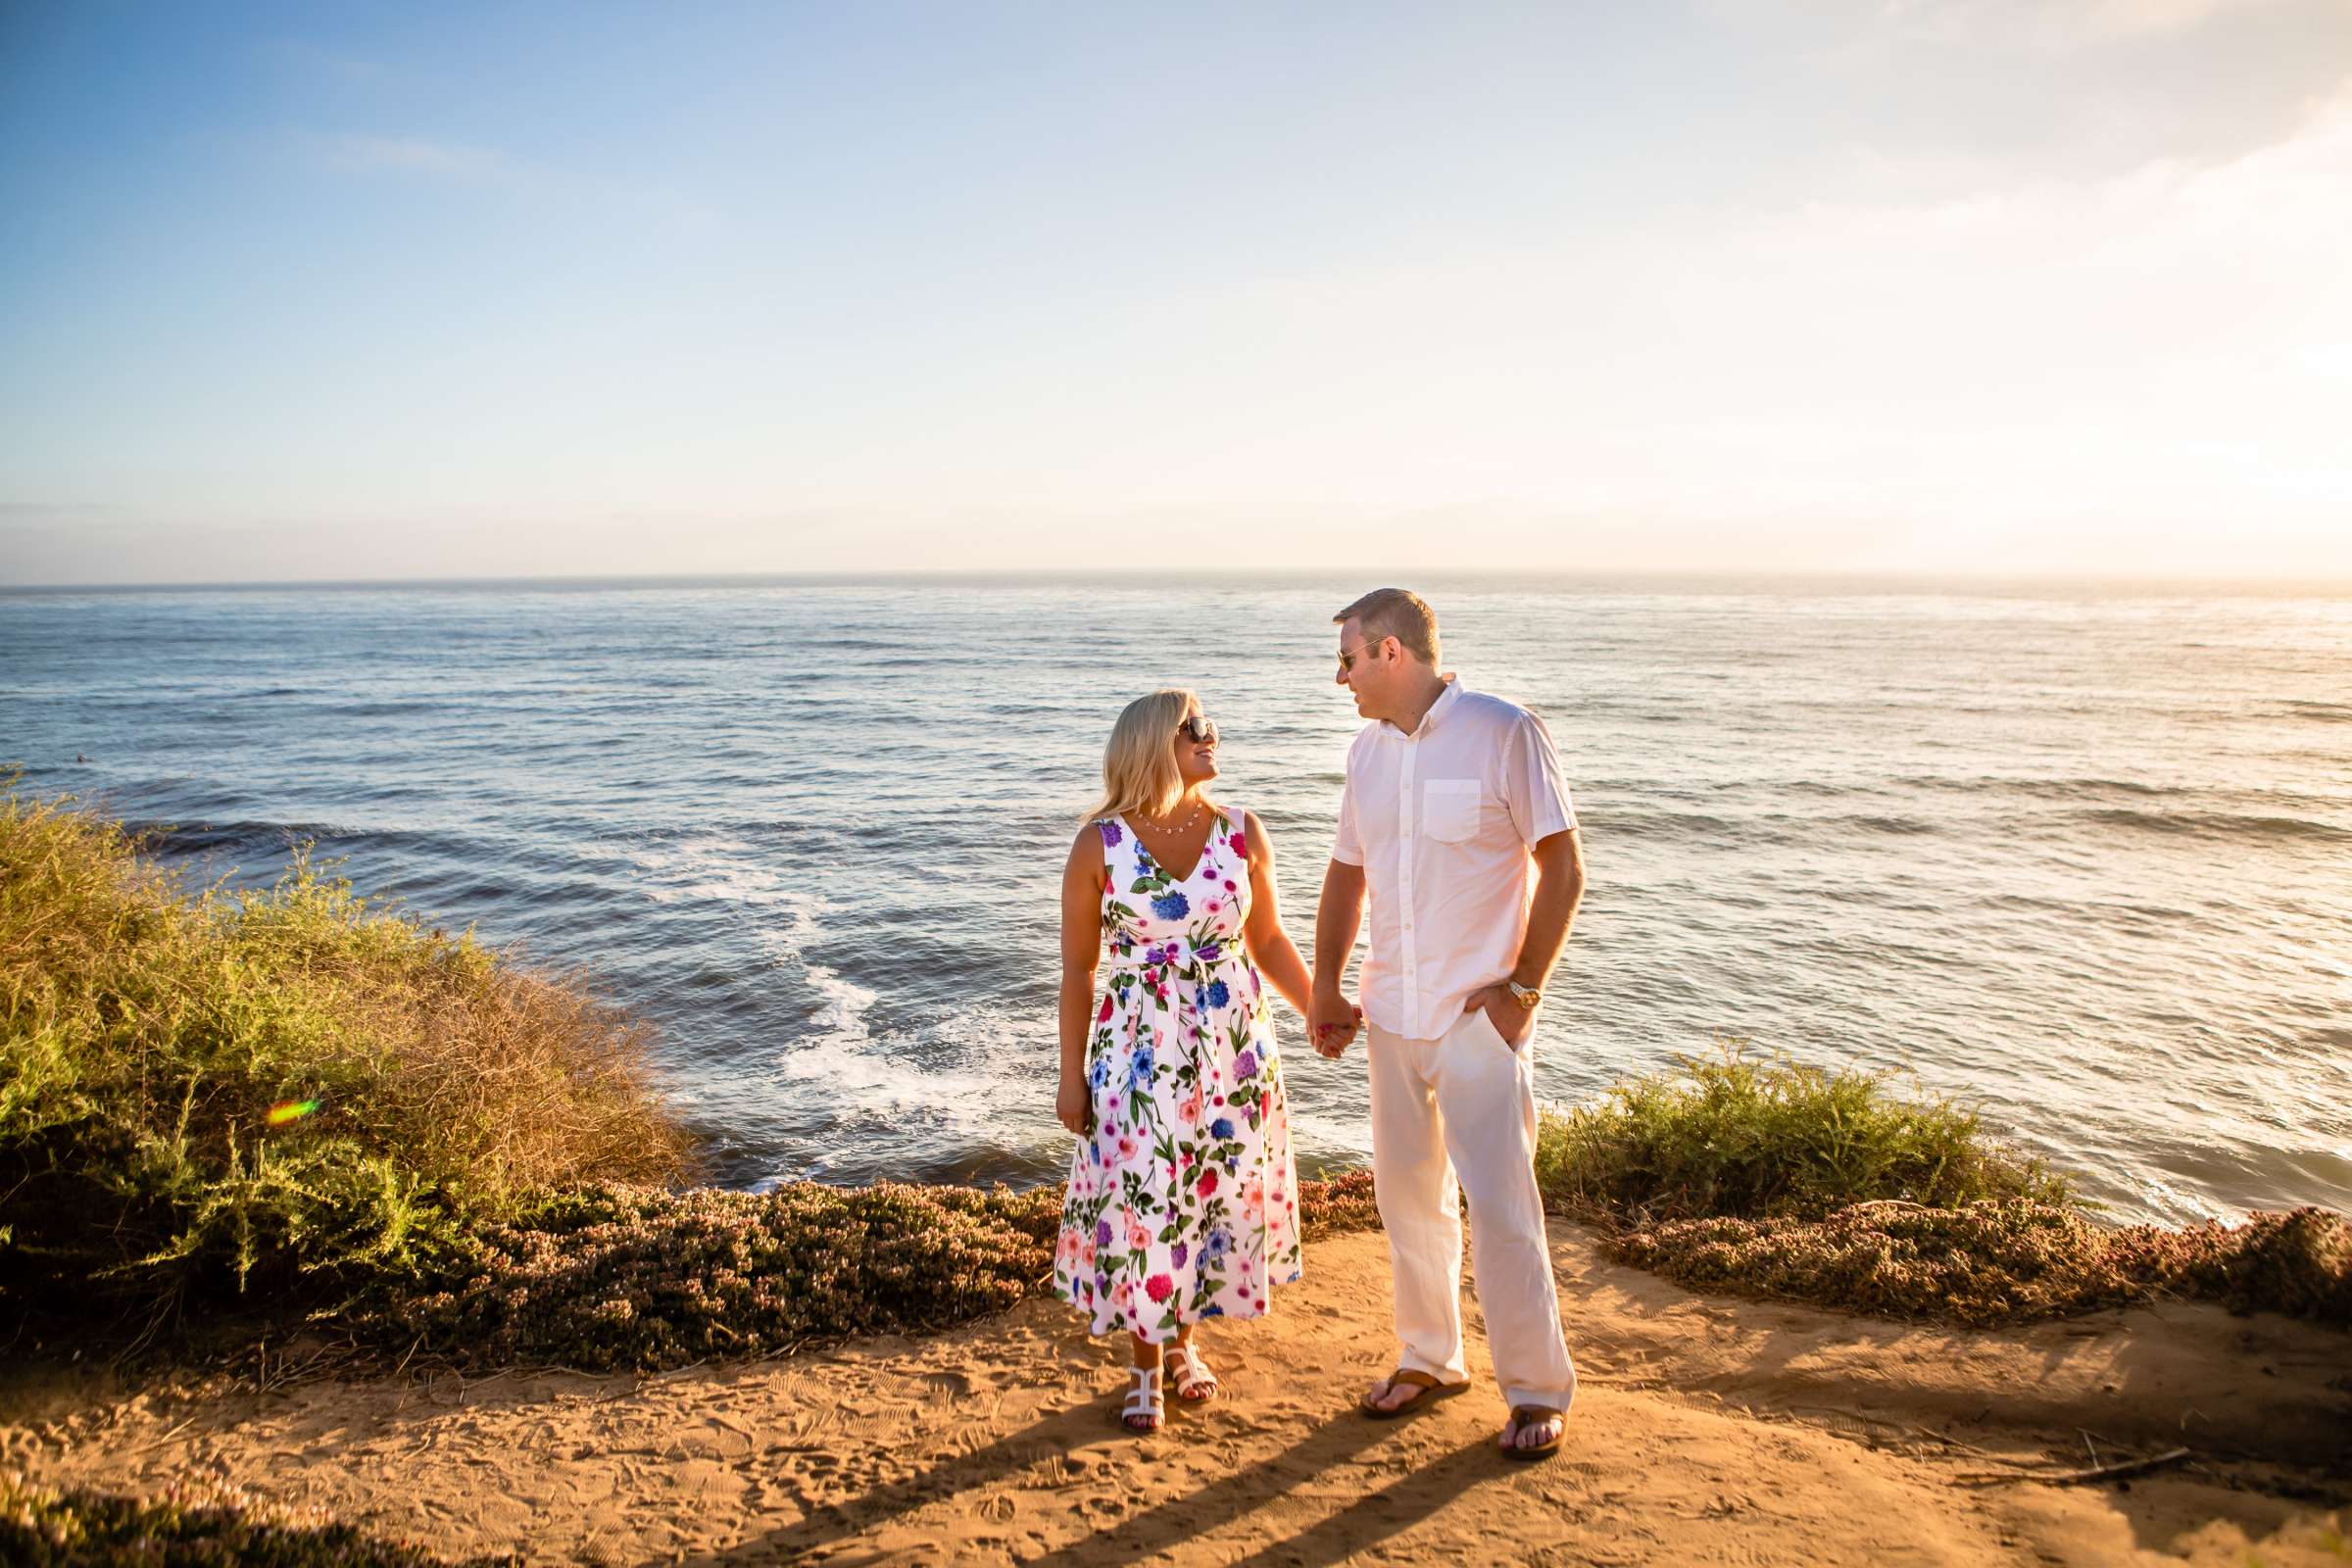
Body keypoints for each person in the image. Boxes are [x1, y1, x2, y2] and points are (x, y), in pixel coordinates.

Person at [1306, 588, 1587, 1461]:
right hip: (1390, 1014)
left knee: (1504, 1210)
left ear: (1392, 653)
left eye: (1346, 658)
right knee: (1407, 1202)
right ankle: (1432, 1358)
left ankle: (1537, 1389)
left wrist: (1520, 995)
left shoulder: (1505, 731)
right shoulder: (1365, 754)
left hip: (1478, 1022)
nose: (1339, 676)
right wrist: (1325, 989)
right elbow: (1347, 875)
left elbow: (1563, 865)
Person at [1053, 689, 1312, 1434]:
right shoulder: (1100, 844)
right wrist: (1070, 1074)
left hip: (1232, 1047)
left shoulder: (1242, 831)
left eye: (1211, 725)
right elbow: (1077, 972)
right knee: (1144, 1201)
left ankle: (1185, 1347)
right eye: (1195, 727)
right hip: (1138, 1051)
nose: (1212, 737)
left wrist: (1319, 1008)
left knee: (1204, 1193)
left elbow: (1266, 942)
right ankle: (1143, 1363)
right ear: (1152, 744)